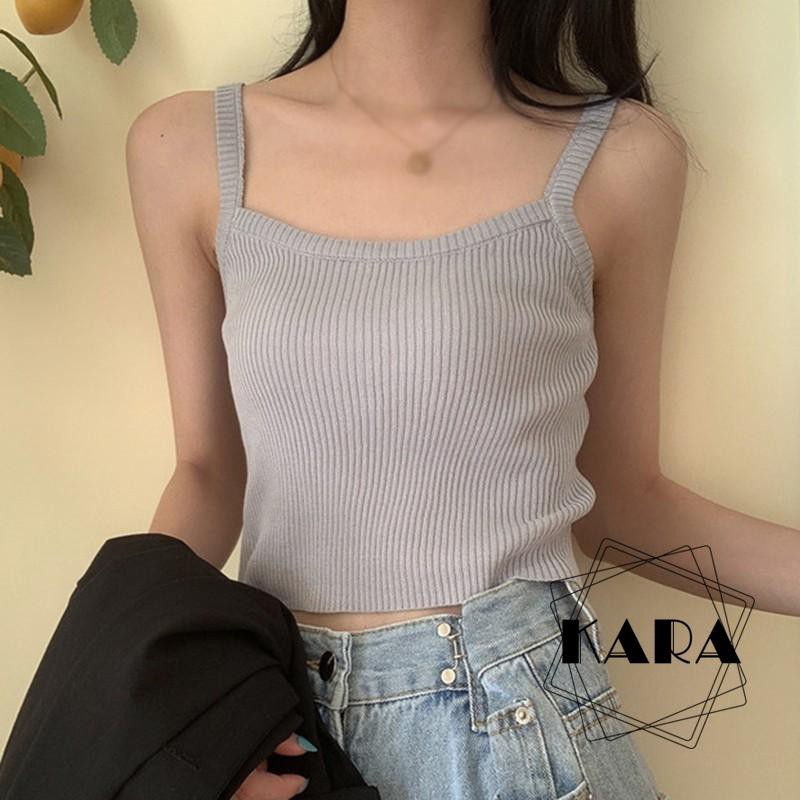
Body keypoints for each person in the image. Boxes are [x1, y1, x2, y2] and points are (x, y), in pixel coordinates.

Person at [124, 2, 800, 799]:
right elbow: (206, 474)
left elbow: (623, 500)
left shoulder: (623, 157)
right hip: (281, 728)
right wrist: (142, 701)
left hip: (524, 720)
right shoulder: (183, 148)